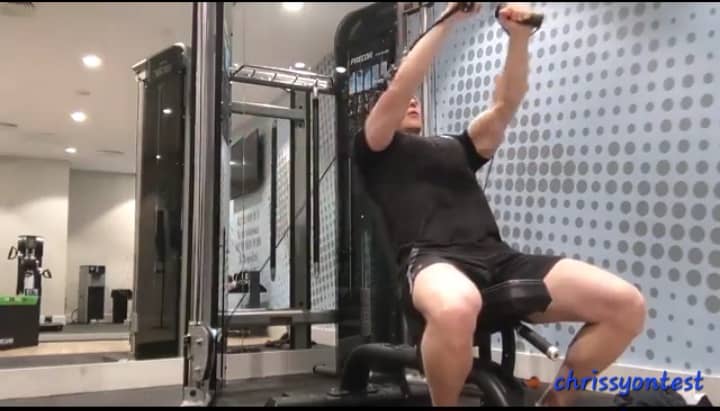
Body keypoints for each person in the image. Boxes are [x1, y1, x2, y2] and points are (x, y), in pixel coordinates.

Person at [352, 2, 647, 407]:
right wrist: (448, 19)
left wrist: (519, 38)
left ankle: (556, 402)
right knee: (457, 306)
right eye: (404, 100)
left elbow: (506, 103)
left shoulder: (457, 147)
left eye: (417, 100)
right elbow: (402, 86)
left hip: (498, 259)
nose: (413, 101)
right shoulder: (374, 150)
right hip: (433, 262)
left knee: (626, 305)